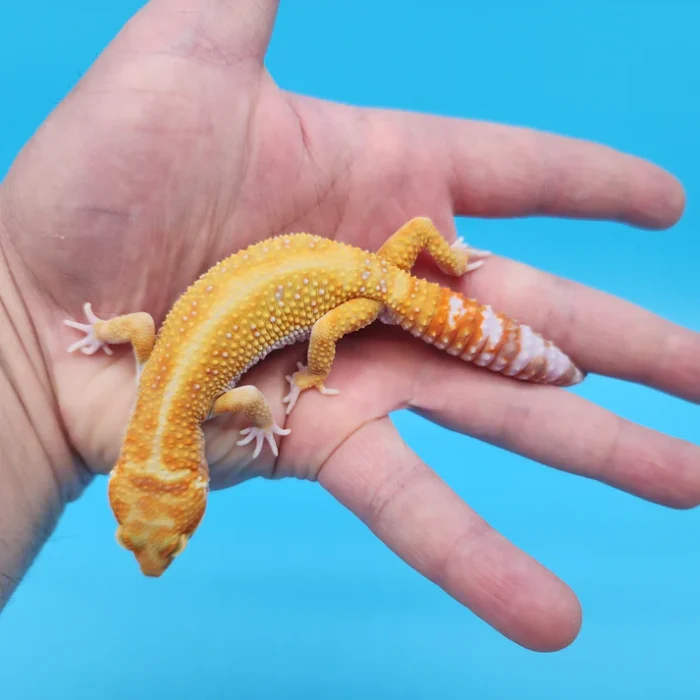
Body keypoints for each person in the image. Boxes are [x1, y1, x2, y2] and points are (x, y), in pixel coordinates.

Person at [0, 0, 697, 652]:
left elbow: (249, 400)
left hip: (361, 295)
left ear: (176, 479)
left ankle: (520, 350)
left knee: (327, 337)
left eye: (156, 541)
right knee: (416, 246)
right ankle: (495, 314)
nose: (154, 558)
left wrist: (302, 381)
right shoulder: (157, 373)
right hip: (360, 268)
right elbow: (142, 331)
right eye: (158, 542)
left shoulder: (197, 399)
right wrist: (71, 331)